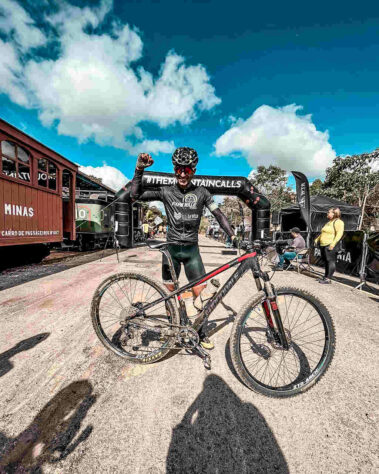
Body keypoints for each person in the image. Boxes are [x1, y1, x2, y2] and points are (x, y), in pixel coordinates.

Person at [130, 148, 238, 350]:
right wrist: (139, 170)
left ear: (194, 170)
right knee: (170, 296)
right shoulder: (166, 191)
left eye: (186, 169)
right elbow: (134, 194)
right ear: (174, 168)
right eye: (178, 168)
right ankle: (173, 328)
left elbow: (219, 215)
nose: (182, 173)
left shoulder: (202, 193)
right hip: (170, 250)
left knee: (202, 294)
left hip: (191, 251)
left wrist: (233, 235)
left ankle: (200, 331)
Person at [314, 207, 344, 284]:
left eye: (329, 212)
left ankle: (328, 279)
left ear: (334, 213)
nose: (327, 213)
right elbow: (323, 232)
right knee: (326, 261)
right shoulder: (328, 222)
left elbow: (339, 234)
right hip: (323, 244)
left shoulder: (338, 222)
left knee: (331, 261)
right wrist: (317, 239)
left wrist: (332, 244)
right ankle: (325, 276)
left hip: (330, 245)